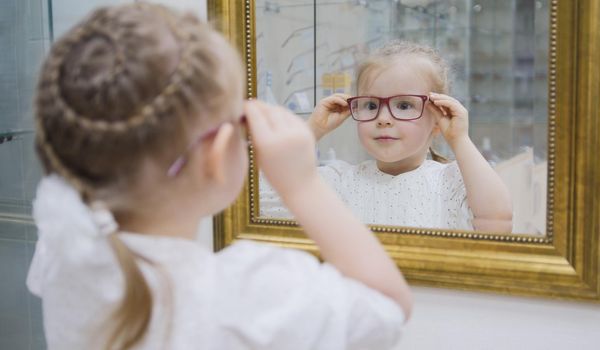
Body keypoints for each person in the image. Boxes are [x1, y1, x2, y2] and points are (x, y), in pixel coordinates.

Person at [26, 4, 412, 349]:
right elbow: (389, 307)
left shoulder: (64, 252)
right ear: (216, 154)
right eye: (242, 121)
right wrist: (302, 184)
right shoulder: (253, 294)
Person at [263, 41, 512, 232]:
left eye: (404, 105)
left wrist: (460, 140)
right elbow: (261, 199)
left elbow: (497, 222)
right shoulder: (339, 181)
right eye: (371, 105)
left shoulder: (453, 182)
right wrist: (312, 130)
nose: (383, 118)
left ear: (438, 120)